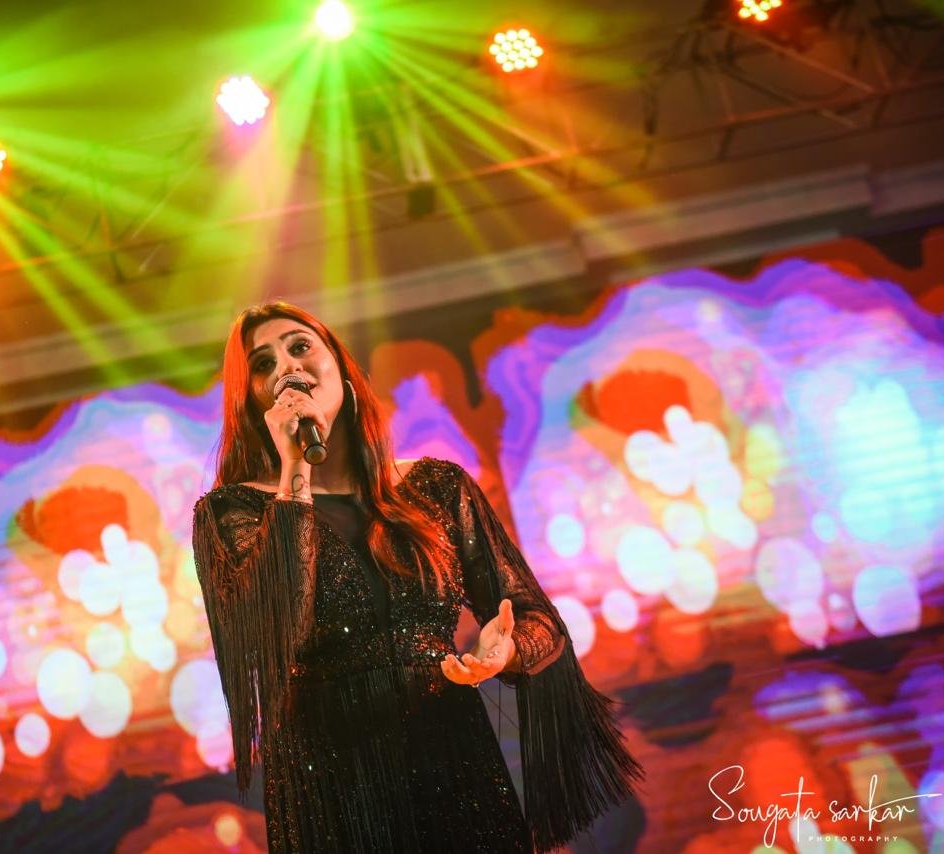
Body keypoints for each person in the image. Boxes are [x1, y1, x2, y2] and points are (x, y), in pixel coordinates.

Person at [191, 302, 643, 852]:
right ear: (253, 402)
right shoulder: (232, 512)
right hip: (332, 782)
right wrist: (295, 471)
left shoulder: (437, 488)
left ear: (341, 367)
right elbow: (273, 625)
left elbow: (535, 617)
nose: (287, 367)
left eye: (300, 346)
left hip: (452, 755)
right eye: (263, 364)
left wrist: (504, 652)